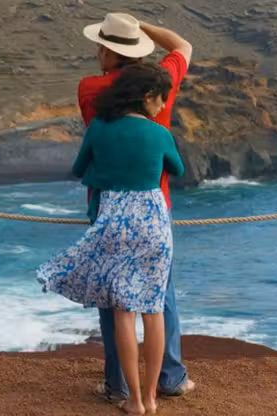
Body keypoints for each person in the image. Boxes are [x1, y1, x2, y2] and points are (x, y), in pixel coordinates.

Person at [37, 62, 185, 415]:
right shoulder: (159, 132)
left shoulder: (99, 128)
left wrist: (105, 172)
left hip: (114, 221)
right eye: (161, 99)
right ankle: (152, 397)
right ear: (147, 96)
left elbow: (79, 169)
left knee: (123, 313)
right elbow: (177, 169)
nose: (163, 105)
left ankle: (133, 400)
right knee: (154, 312)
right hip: (153, 223)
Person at [77, 12, 196, 403]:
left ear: (110, 52)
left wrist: (126, 32)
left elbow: (85, 158)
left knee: (113, 298)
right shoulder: (161, 83)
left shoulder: (89, 88)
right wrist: (140, 27)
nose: (97, 52)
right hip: (154, 206)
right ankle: (170, 378)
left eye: (102, 46)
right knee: (160, 295)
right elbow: (183, 46)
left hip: (106, 205)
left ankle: (119, 386)